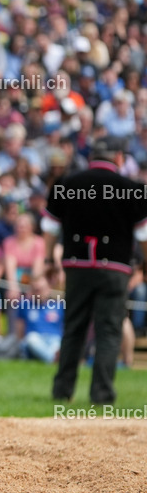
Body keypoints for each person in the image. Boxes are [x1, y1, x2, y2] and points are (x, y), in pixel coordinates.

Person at [43, 136, 147, 404]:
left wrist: (47, 260)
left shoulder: (66, 184)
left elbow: (51, 228)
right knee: (109, 331)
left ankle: (62, 391)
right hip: (115, 268)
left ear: (91, 158)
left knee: (73, 329)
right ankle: (101, 394)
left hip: (76, 266)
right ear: (119, 158)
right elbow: (144, 234)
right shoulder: (132, 188)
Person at [15, 277, 64, 363]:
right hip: (35, 339)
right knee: (31, 339)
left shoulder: (58, 306)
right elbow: (20, 329)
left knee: (59, 344)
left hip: (54, 339)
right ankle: (52, 360)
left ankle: (51, 357)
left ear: (48, 289)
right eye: (36, 290)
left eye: (41, 289)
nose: (38, 293)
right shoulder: (25, 305)